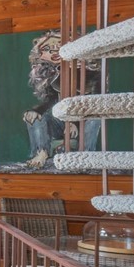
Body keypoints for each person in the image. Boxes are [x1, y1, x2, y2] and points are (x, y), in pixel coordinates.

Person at [22, 30, 99, 168]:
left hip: (83, 119)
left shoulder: (89, 74)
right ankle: (41, 152)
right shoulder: (53, 74)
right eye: (48, 49)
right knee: (35, 117)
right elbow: (52, 101)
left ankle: (86, 156)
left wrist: (73, 121)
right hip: (61, 120)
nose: (54, 51)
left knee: (95, 119)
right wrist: (36, 111)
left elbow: (90, 103)